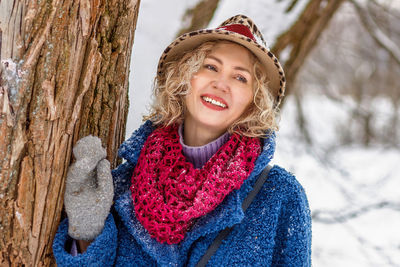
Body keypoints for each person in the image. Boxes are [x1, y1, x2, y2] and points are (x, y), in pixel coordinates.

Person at [53, 14, 311, 266]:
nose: (221, 83)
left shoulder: (279, 197)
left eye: (240, 77)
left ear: (254, 103)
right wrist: (86, 234)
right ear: (184, 78)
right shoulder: (123, 186)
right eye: (210, 67)